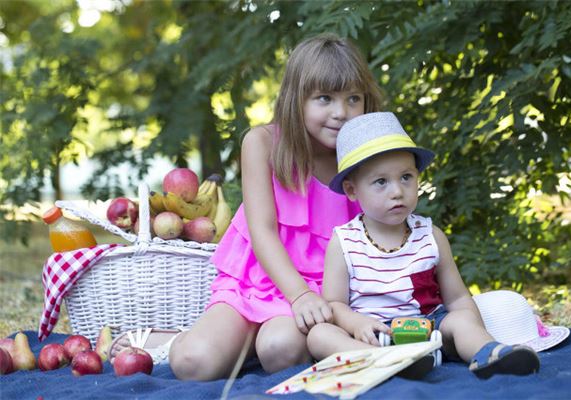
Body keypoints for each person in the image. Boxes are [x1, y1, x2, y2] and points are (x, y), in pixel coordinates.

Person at [109, 33, 382, 380]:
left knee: (281, 349)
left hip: (325, 290)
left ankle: (247, 345)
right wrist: (297, 296)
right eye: (324, 98)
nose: (340, 112)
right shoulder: (263, 143)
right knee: (194, 363)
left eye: (353, 98)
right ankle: (177, 341)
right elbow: (263, 231)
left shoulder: (363, 156)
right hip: (261, 277)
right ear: (295, 100)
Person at [306, 112, 540, 379]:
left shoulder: (430, 236)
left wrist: (472, 328)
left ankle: (489, 353)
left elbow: (458, 298)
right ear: (351, 190)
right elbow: (335, 304)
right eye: (381, 182)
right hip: (373, 334)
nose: (397, 191)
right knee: (319, 335)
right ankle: (379, 360)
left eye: (406, 177)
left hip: (428, 329)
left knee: (461, 320)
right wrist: (357, 323)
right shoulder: (344, 241)